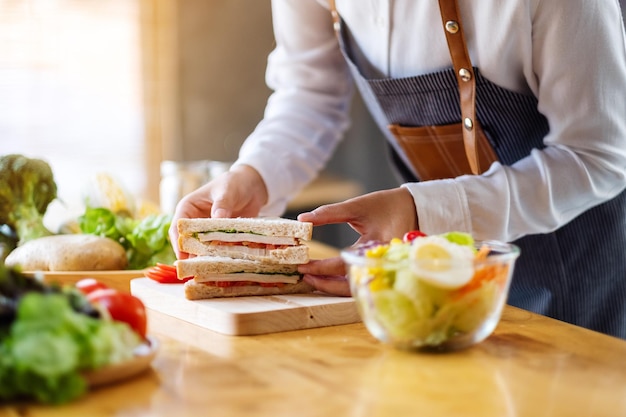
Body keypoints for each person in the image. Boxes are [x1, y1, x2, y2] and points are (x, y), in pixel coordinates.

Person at [170, 1, 626, 339]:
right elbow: (310, 91)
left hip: (586, 269)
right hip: (438, 272)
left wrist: (420, 211)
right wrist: (256, 174)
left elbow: (598, 155)